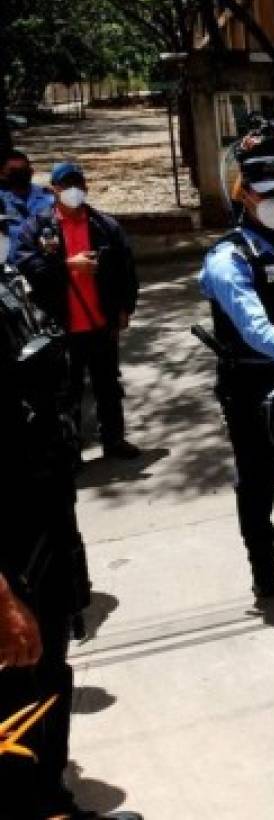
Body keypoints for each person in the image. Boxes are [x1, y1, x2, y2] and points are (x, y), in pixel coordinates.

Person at [0, 261, 139, 820]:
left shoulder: (9, 278)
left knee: (47, 678)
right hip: (9, 556)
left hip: (41, 525)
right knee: (12, 699)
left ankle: (52, 803)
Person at [200, 145, 274, 597]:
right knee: (257, 477)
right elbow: (253, 328)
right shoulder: (229, 257)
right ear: (244, 195)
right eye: (267, 194)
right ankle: (262, 568)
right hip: (251, 382)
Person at [13, 162, 140, 460]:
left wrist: (125, 308)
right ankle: (70, 449)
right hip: (62, 325)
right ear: (54, 190)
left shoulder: (104, 226)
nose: (73, 191)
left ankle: (114, 440)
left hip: (101, 323)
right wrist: (68, 265)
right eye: (65, 185)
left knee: (107, 386)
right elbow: (26, 264)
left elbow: (127, 270)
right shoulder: (38, 227)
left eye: (77, 184)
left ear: (86, 187)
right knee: (65, 393)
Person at [1, 150, 55, 242]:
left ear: (31, 172)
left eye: (23, 170)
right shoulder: (1, 202)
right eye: (14, 171)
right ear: (2, 174)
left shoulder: (50, 198)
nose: (19, 175)